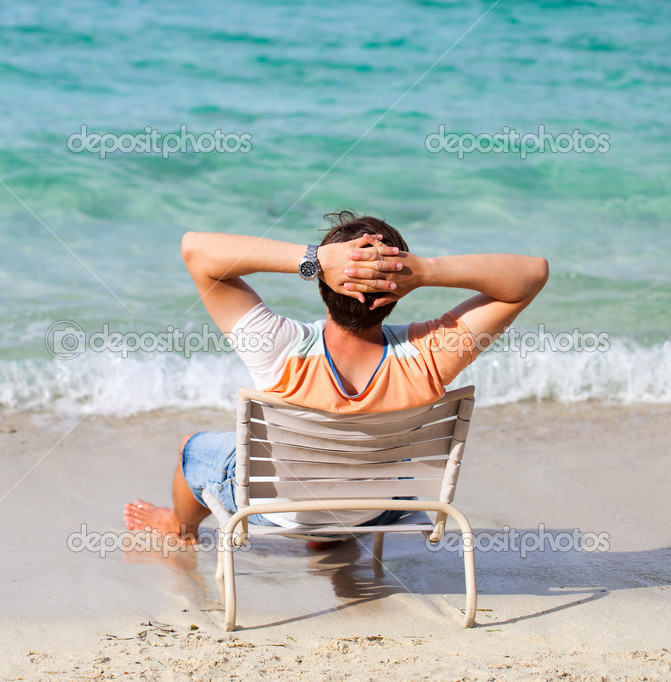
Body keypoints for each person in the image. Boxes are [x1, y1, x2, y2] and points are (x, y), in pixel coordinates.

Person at [123, 211, 548, 544]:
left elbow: (196, 249)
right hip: (372, 511)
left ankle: (179, 530)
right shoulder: (429, 356)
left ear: (322, 283)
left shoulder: (278, 347)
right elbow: (531, 275)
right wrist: (426, 270)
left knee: (193, 448)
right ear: (397, 291)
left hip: (277, 510)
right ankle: (331, 540)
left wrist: (311, 259)